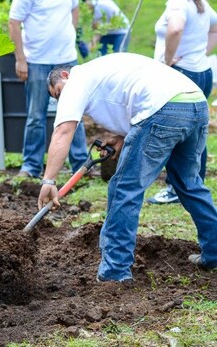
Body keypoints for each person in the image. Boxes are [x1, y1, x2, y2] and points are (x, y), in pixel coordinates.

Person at [40, 53, 217, 283]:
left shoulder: (77, 79)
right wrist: (123, 135)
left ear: (65, 75)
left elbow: (63, 131)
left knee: (125, 188)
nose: (62, 98)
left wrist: (49, 181)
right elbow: (134, 96)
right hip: (195, 103)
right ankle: (214, 252)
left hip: (163, 108)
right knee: (189, 183)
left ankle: (115, 272)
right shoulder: (102, 70)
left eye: (59, 92)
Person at [8, 0, 89, 179]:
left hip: (67, 59)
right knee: (36, 116)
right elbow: (14, 22)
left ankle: (81, 165)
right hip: (37, 61)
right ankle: (31, 166)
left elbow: (74, 10)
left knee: (75, 114)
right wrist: (20, 59)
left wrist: (71, 35)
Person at [148, 0, 217, 204]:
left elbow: (175, 28)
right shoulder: (199, 2)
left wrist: (166, 62)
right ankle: (194, 182)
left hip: (182, 73)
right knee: (196, 132)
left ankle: (176, 189)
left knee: (175, 132)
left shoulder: (178, 2)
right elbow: (215, 27)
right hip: (201, 72)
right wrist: (201, 53)